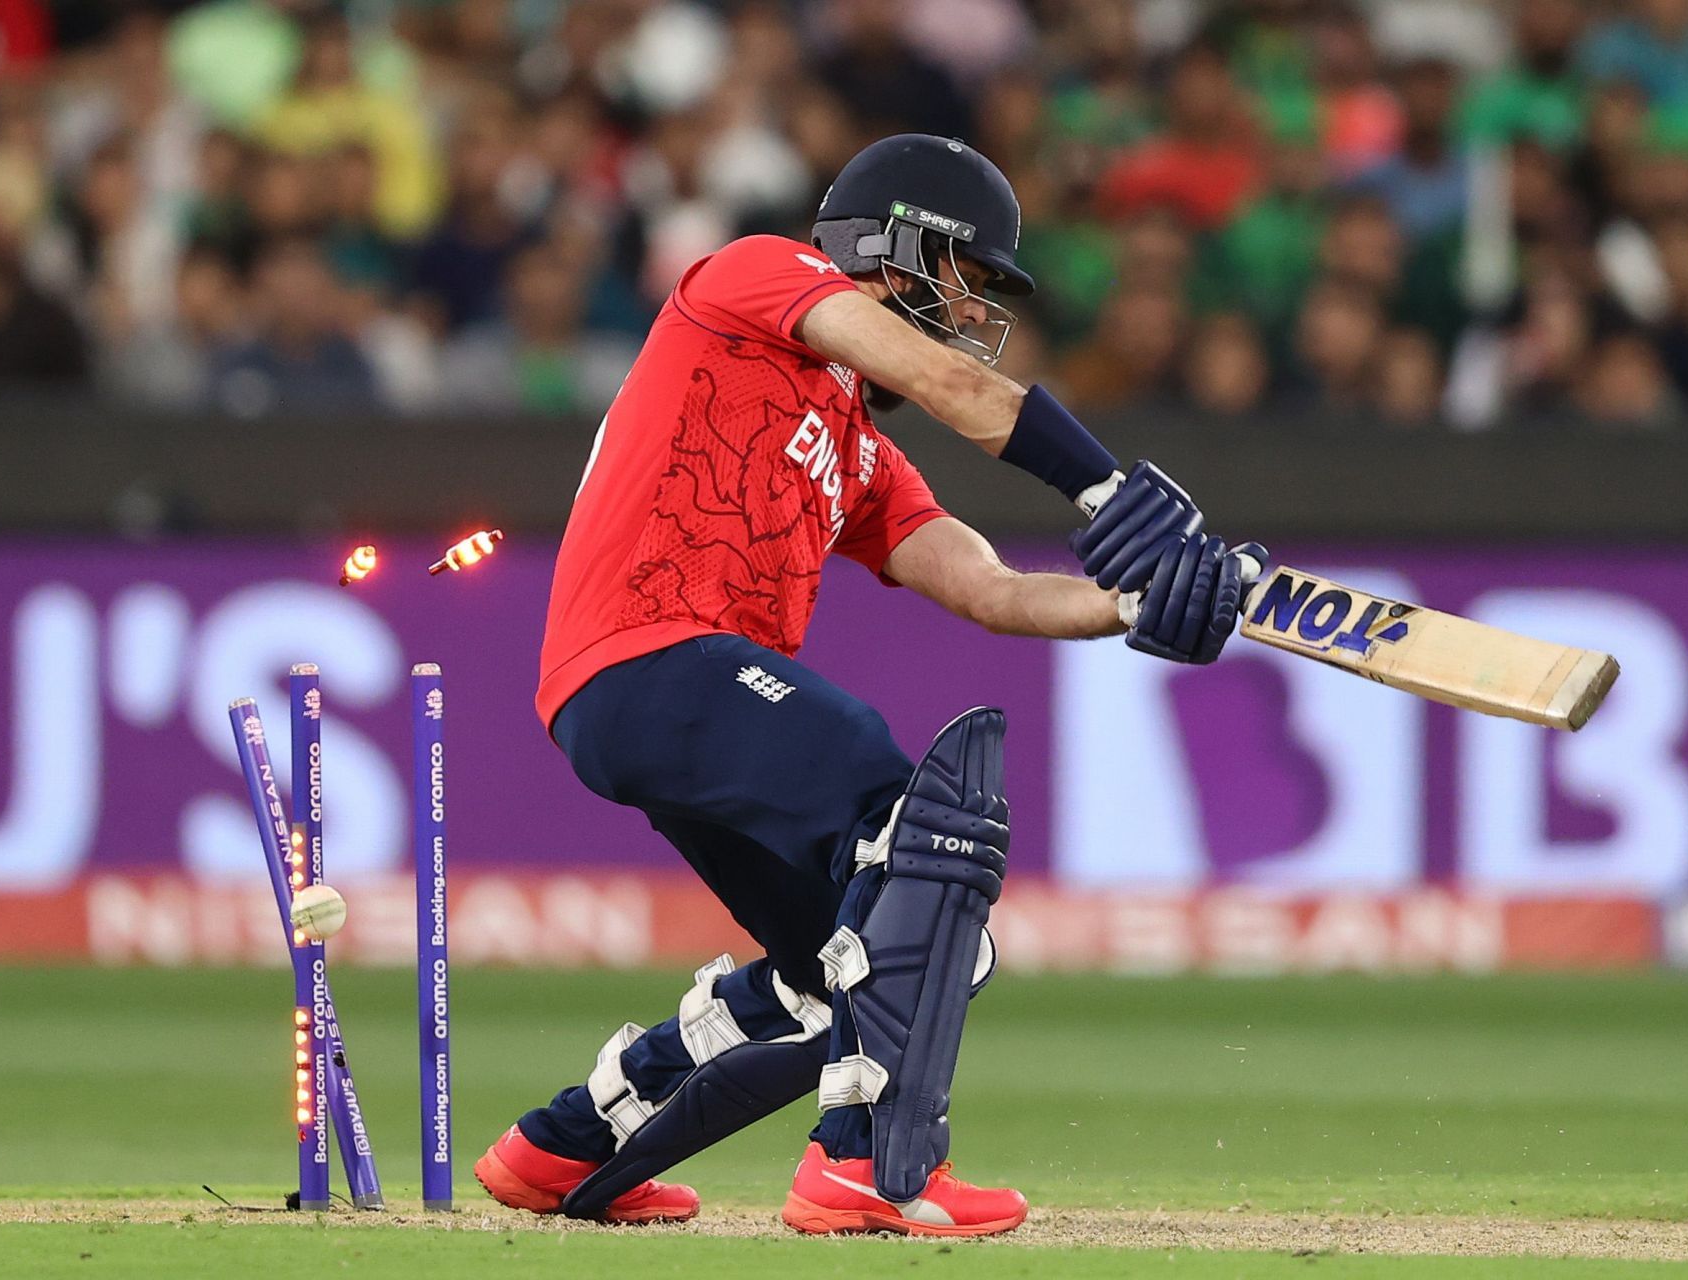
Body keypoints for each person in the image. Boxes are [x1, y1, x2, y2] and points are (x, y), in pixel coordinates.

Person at [473, 134, 1264, 1237]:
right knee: (917, 827)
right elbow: (950, 381)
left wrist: (1138, 606)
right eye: (965, 275)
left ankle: (559, 1148)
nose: (972, 306)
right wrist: (1105, 492)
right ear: (892, 244)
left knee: (824, 974)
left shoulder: (858, 451)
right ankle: (869, 1166)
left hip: (660, 694)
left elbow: (991, 588)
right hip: (651, 654)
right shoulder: (752, 273)